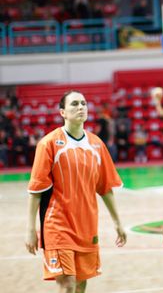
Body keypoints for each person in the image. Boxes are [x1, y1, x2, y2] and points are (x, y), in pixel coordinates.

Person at [25, 90, 127, 293]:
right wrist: (30, 229)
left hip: (87, 227)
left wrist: (118, 223)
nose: (80, 107)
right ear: (62, 112)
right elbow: (36, 191)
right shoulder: (48, 144)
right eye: (74, 104)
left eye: (83, 103)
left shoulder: (97, 145)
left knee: (81, 284)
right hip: (57, 226)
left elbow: (105, 188)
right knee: (67, 284)